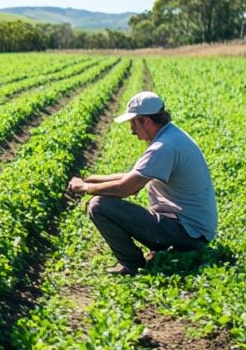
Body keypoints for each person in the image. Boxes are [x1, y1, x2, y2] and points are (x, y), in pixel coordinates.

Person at [65, 90, 217, 275]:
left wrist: (85, 188)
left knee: (99, 205)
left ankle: (132, 264)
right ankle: (155, 251)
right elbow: (132, 176)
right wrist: (90, 179)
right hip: (193, 230)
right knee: (102, 200)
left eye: (133, 123)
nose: (131, 130)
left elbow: (125, 188)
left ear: (145, 120)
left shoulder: (163, 147)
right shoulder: (172, 136)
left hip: (188, 234)